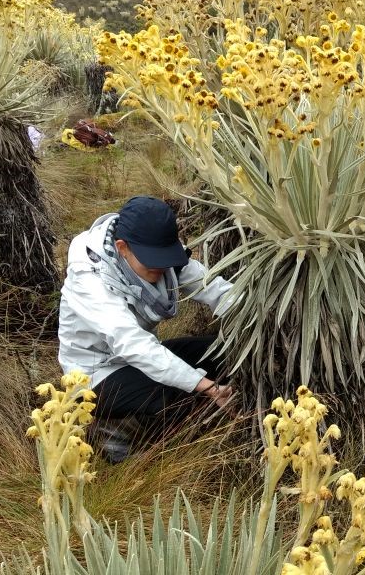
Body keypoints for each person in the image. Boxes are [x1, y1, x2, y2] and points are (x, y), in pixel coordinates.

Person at [57, 195, 238, 462]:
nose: (162, 267)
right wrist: (207, 387)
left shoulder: (159, 250)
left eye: (166, 257)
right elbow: (131, 343)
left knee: (224, 352)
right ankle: (118, 439)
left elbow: (214, 288)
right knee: (180, 394)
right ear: (122, 248)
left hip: (142, 359)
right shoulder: (89, 280)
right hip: (97, 374)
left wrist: (266, 322)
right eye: (152, 261)